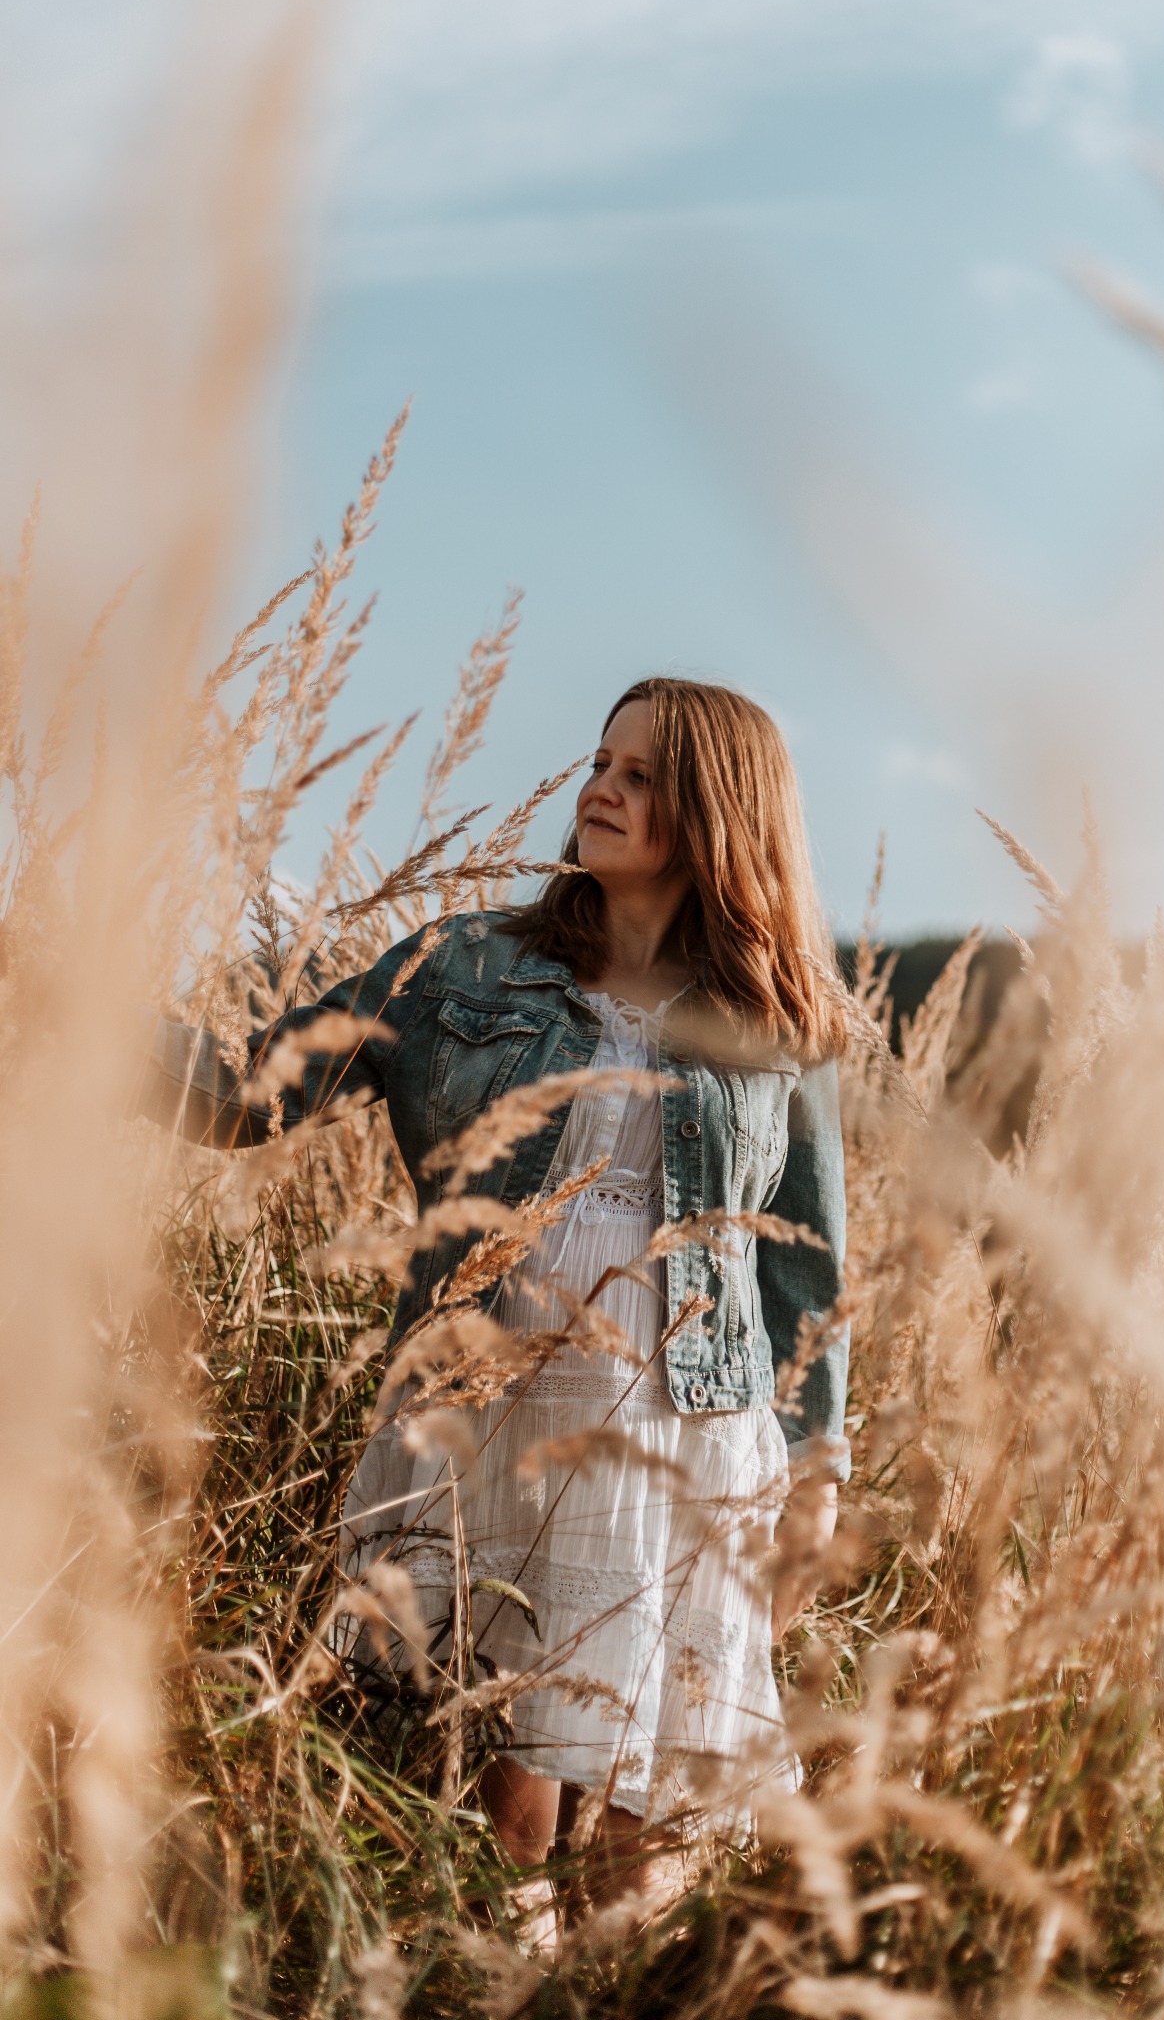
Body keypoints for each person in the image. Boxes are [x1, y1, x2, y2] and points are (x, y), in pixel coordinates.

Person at [144, 677, 849, 1913]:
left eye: (640, 774)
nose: (600, 788)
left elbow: (803, 1265)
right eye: (600, 761)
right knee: (508, 1818)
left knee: (643, 1839)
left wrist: (819, 1471)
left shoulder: (778, 1017)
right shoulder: (464, 964)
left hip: (688, 1440)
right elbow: (248, 1096)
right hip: (501, 1416)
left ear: (719, 809)